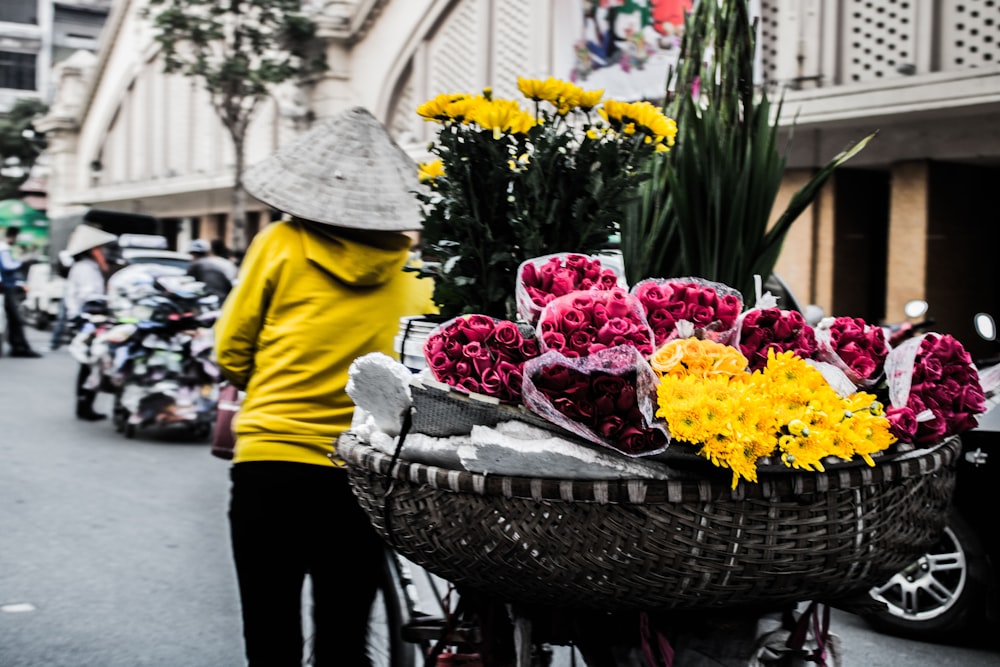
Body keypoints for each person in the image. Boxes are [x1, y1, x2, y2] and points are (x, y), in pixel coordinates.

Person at [214, 106, 436, 667]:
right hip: (360, 472)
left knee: (270, 631)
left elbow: (231, 348)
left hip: (270, 462)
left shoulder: (279, 243)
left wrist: (264, 386)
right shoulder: (418, 275)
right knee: (343, 633)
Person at [63, 224, 119, 421]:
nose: (106, 252)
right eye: (102, 248)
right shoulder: (86, 269)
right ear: (93, 250)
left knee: (89, 364)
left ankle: (85, 405)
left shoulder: (87, 267)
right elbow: (90, 298)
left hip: (85, 320)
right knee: (89, 364)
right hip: (87, 322)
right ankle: (84, 406)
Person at [0, 226, 42, 358]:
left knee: (13, 319)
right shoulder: (4, 249)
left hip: (7, 286)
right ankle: (19, 346)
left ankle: (18, 346)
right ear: (13, 236)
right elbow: (7, 266)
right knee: (15, 319)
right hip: (6, 287)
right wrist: (22, 261)